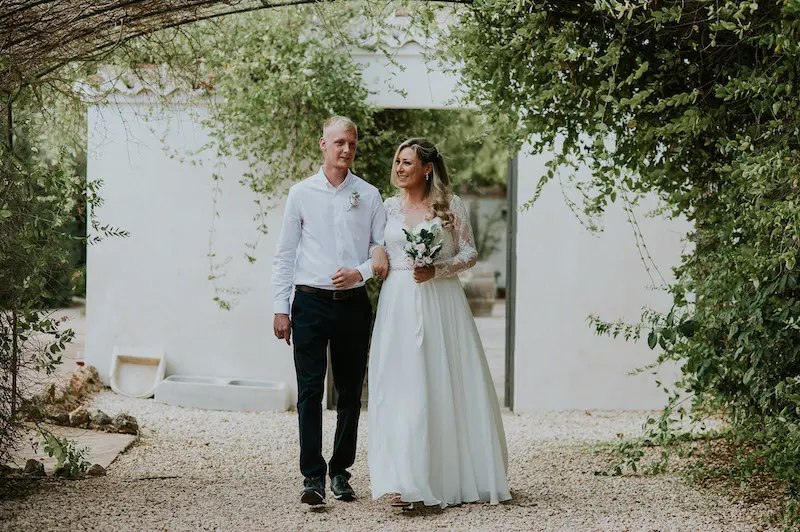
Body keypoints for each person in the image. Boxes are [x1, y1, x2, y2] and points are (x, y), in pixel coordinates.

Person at [368, 137, 511, 508]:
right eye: (398, 162)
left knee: (439, 378)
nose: (399, 168)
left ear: (426, 168)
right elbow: (370, 241)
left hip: (441, 300)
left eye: (407, 163)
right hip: (397, 302)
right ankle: (402, 477)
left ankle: (443, 476)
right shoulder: (386, 208)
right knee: (400, 384)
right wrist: (377, 249)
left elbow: (470, 253)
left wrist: (438, 270)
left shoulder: (451, 206)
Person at [271, 116, 388, 506]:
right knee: (308, 392)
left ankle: (340, 472)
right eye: (340, 143)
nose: (347, 150)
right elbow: (285, 254)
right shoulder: (300, 194)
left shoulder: (369, 195)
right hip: (308, 303)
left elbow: (380, 249)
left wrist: (361, 272)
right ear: (323, 143)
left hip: (353, 306)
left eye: (352, 144)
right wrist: (280, 308)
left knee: (351, 393)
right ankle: (311, 477)